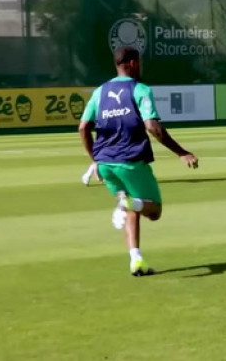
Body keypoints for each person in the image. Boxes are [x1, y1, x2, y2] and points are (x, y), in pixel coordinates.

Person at [79, 46, 198, 276]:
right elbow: (152, 126)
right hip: (130, 160)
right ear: (132, 63)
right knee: (154, 211)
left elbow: (83, 127)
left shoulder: (100, 91)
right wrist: (181, 152)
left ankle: (136, 260)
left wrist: (95, 160)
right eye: (139, 62)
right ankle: (126, 205)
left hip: (106, 165)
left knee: (131, 203)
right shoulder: (140, 89)